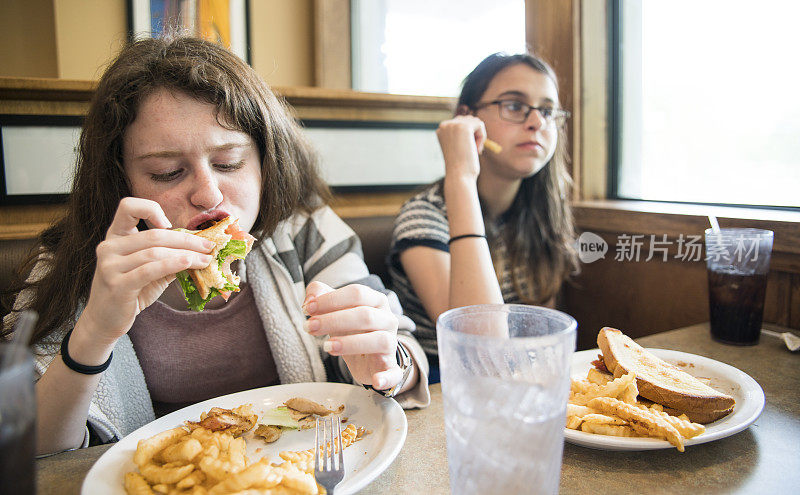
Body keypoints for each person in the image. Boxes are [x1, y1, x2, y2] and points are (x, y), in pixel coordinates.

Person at [2, 36, 429, 456]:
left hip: (298, 469)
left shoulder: (304, 231)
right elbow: (27, 445)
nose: (208, 193)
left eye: (229, 163)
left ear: (265, 161)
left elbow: (402, 356)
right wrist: (95, 329)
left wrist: (387, 363)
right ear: (120, 180)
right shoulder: (69, 262)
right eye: (167, 172)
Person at [388, 53, 578, 379]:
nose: (537, 122)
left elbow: (542, 336)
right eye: (515, 106)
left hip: (518, 381)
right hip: (442, 390)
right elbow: (479, 350)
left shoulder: (541, 211)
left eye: (547, 110)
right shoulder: (424, 215)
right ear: (467, 117)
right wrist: (460, 175)